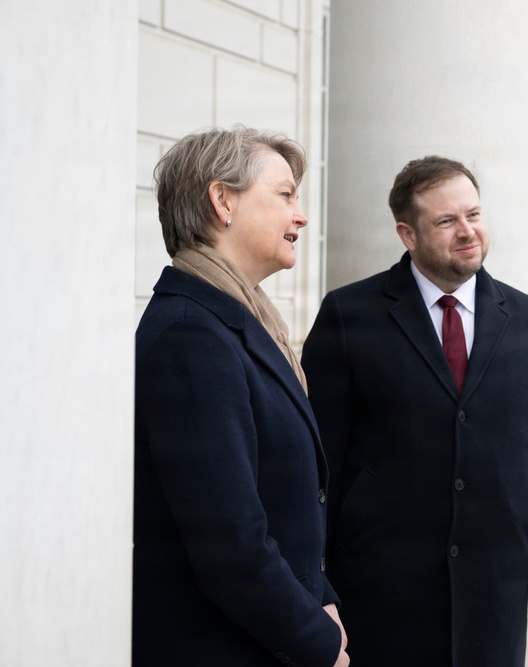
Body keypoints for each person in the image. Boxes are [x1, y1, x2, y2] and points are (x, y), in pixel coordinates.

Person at [301, 156, 528, 666]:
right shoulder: (349, 314)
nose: (467, 232)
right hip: (380, 580)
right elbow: (318, 459)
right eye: (447, 221)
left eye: (473, 215)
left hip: (496, 577)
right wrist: (312, 575)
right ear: (407, 235)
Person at [133, 126, 349, 667]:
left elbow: (284, 502)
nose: (300, 215)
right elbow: (228, 542)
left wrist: (322, 599)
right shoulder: (190, 335)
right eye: (284, 195)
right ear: (222, 200)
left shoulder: (232, 321)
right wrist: (320, 643)